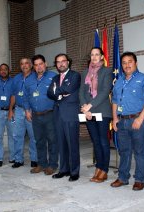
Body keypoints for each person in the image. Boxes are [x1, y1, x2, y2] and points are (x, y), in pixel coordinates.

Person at [110, 52, 144, 191]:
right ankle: (123, 177)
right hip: (122, 121)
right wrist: (115, 118)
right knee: (124, 151)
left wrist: (140, 118)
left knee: (140, 151)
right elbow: (115, 101)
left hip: (137, 120)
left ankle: (139, 179)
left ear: (136, 63)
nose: (127, 65)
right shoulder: (119, 81)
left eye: (130, 61)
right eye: (124, 62)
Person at [79, 47, 112, 183]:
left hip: (102, 111)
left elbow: (105, 91)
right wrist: (85, 109)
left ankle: (104, 170)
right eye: (92, 55)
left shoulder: (107, 71)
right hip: (88, 112)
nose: (94, 57)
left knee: (103, 141)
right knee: (96, 142)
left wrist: (90, 106)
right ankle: (98, 167)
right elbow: (81, 91)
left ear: (102, 57)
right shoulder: (85, 72)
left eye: (97, 54)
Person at [47, 53, 81, 182]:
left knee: (72, 143)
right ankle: (64, 169)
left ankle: (74, 171)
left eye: (63, 61)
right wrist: (59, 94)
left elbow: (69, 88)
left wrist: (57, 92)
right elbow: (49, 93)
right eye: (58, 62)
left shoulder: (75, 75)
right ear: (56, 64)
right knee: (61, 143)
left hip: (70, 113)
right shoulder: (55, 78)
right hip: (58, 114)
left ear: (68, 62)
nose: (61, 63)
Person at [24, 54, 59, 175]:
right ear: (33, 67)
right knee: (38, 140)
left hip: (50, 114)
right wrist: (27, 110)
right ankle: (42, 163)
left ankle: (53, 165)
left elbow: (59, 95)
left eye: (41, 64)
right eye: (36, 65)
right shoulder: (29, 79)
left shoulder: (53, 76)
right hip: (35, 115)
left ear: (46, 64)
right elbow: (26, 96)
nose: (39, 67)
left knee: (52, 140)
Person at [8, 58, 37, 168]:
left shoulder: (36, 77)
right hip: (19, 110)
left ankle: (34, 159)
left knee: (33, 136)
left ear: (31, 65)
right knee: (17, 135)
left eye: (26, 63)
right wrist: (11, 110)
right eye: (22, 64)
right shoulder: (16, 79)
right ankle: (18, 159)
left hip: (31, 110)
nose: (24, 65)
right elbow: (13, 95)